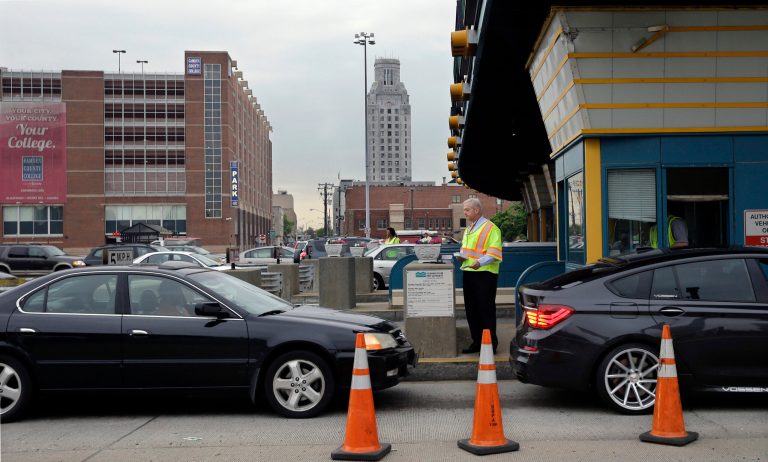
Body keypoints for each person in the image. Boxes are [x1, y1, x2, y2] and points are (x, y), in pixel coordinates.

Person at [455, 198, 503, 354]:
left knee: (485, 309)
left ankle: (490, 344)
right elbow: (467, 250)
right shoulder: (469, 229)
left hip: (485, 274)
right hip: (468, 272)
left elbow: (494, 253)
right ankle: (477, 342)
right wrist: (461, 256)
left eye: (467, 209)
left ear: (476, 210)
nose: (465, 212)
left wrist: (480, 262)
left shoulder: (491, 228)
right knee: (471, 310)